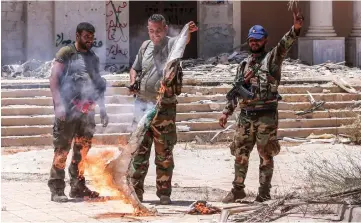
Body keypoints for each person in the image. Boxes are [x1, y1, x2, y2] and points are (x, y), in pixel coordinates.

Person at [219, 9, 304, 203]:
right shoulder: (243, 65)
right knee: (240, 154)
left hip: (266, 115)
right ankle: (237, 189)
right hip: (245, 116)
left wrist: (295, 28)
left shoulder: (272, 59)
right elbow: (236, 91)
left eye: (257, 40)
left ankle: (264, 193)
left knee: (266, 155)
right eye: (251, 40)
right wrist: (226, 112)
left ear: (265, 40)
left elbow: (284, 45)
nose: (254, 43)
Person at [128, 14, 198, 205]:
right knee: (138, 151)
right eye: (151, 31)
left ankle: (164, 193)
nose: (155, 35)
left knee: (164, 152)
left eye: (158, 30)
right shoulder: (145, 46)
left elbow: (184, 40)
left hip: (164, 108)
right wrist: (133, 81)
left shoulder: (172, 44)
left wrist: (188, 30)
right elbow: (135, 68)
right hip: (142, 106)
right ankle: (136, 192)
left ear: (165, 29)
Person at [48, 22, 109, 202]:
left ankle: (78, 186)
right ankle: (57, 189)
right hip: (68, 110)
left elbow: (98, 85)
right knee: (62, 150)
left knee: (82, 151)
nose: (90, 40)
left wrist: (103, 110)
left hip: (87, 112)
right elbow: (53, 80)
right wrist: (58, 105)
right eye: (86, 37)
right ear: (77, 36)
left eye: (92, 37)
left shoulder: (93, 58)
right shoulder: (66, 53)